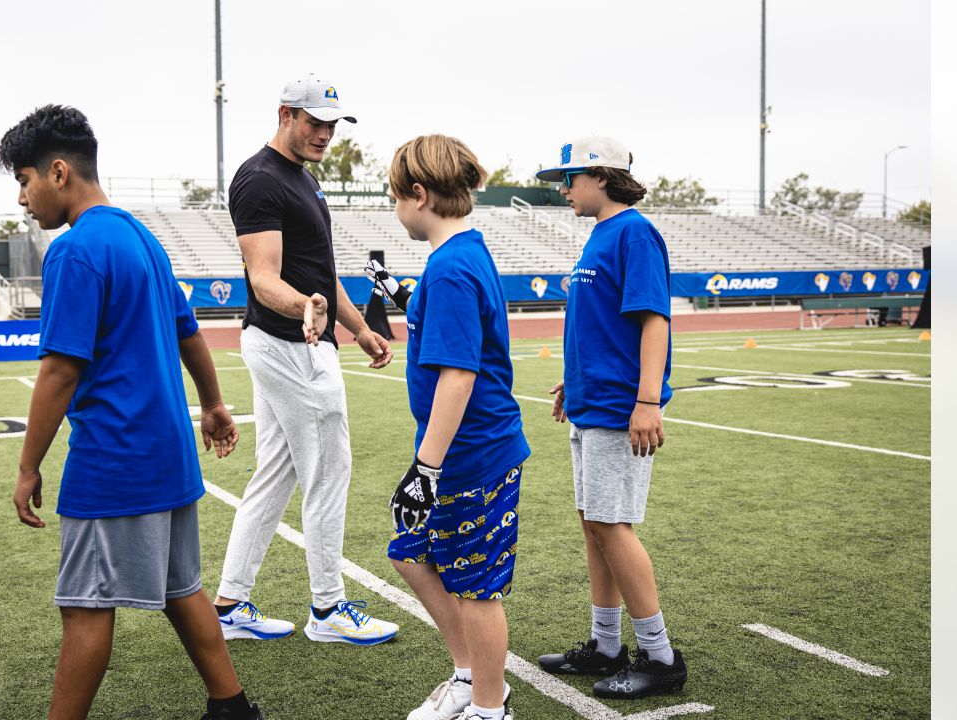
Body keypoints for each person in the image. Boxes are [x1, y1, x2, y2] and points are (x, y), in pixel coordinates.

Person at [0, 105, 264, 720]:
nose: (22, 198)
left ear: (58, 172)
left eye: (23, 179)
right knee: (181, 589)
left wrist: (27, 465)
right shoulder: (141, 235)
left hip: (115, 460)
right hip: (168, 455)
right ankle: (232, 707)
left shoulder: (75, 251)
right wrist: (213, 404)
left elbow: (61, 371)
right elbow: (188, 331)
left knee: (86, 606)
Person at [213, 74, 400, 645]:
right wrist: (305, 307)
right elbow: (264, 277)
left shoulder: (302, 178)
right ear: (285, 114)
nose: (325, 133)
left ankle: (229, 604)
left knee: (278, 473)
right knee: (328, 469)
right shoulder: (259, 179)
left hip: (300, 342)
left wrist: (361, 328)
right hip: (290, 346)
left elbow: (321, 273)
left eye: (331, 124)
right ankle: (328, 609)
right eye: (315, 122)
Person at [532, 137, 688, 699]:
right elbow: (600, 327)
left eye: (569, 177)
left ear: (601, 176)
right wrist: (573, 383)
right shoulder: (601, 234)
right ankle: (605, 645)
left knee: (611, 524)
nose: (563, 188)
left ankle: (661, 657)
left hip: (622, 407)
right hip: (592, 401)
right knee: (593, 522)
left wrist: (648, 402)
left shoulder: (635, 232)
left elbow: (653, 320)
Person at [384, 135, 530, 720]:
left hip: (473, 455)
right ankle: (469, 676)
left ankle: (490, 709)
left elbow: (457, 378)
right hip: (461, 453)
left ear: (419, 195)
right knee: (409, 551)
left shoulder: (450, 267)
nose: (394, 208)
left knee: (475, 589)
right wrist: (397, 291)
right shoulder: (460, 255)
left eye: (395, 196)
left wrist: (426, 468)